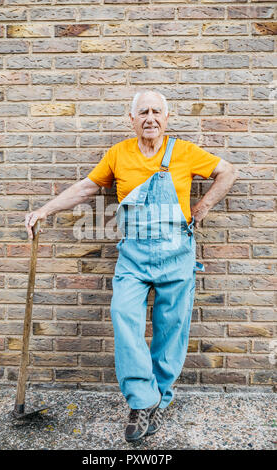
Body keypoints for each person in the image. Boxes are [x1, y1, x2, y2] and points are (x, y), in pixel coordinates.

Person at [25, 90, 238, 442]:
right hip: (134, 259)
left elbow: (227, 172)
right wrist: (45, 210)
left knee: (172, 329)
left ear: (166, 118)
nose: (150, 118)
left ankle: (158, 400)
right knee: (124, 317)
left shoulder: (184, 152)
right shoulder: (119, 154)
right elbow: (86, 188)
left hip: (177, 256)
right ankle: (141, 399)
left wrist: (201, 209)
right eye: (143, 112)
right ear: (132, 118)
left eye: (157, 112)